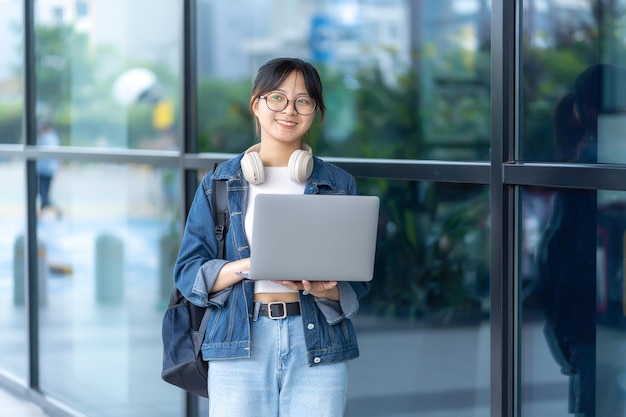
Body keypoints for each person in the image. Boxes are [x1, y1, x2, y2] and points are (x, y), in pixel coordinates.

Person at [173, 57, 370, 416]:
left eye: (303, 101)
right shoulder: (220, 183)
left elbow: (359, 277)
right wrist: (250, 265)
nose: (289, 110)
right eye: (277, 97)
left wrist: (330, 291)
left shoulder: (339, 184)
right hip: (238, 341)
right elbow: (188, 272)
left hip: (318, 343)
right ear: (256, 104)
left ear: (315, 113)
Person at [536, 65, 604, 417]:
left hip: (585, 325)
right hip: (594, 324)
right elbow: (566, 257)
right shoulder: (594, 168)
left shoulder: (587, 165)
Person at [36, 121, 61, 217]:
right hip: (47, 170)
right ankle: (41, 213)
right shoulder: (52, 137)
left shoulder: (47, 138)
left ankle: (56, 210)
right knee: (43, 192)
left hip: (45, 170)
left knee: (43, 193)